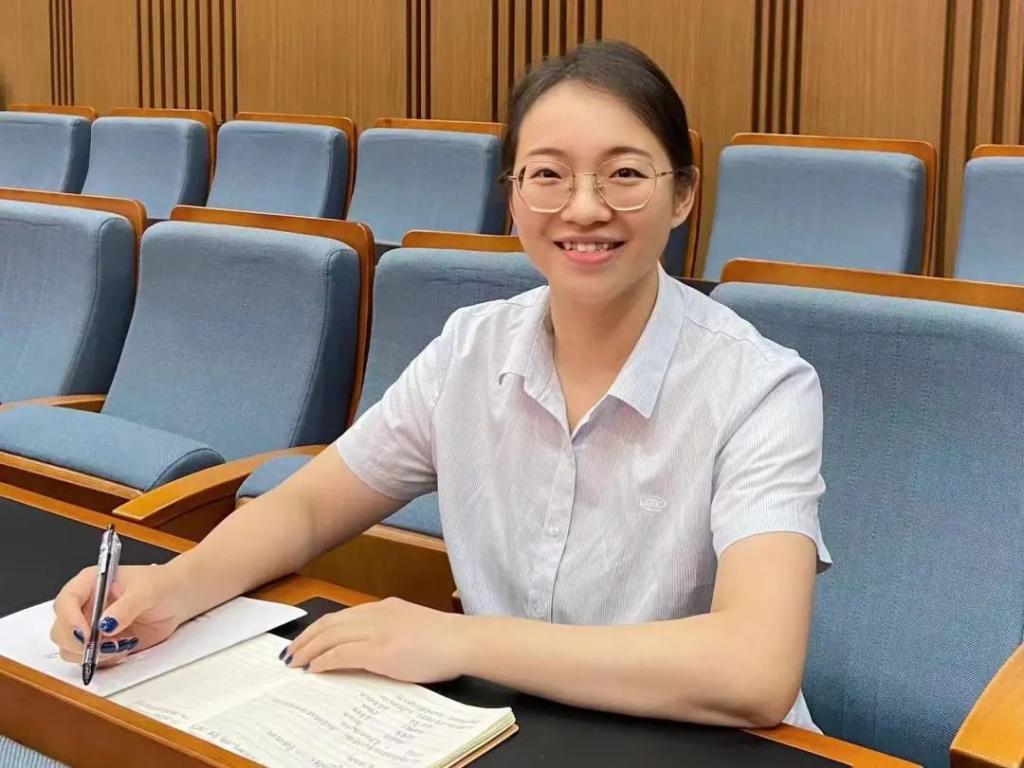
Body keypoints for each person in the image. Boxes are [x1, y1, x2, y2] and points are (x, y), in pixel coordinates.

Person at [51, 40, 831, 731]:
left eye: (625, 174)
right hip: (519, 729)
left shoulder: (761, 388)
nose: (585, 208)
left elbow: (754, 670)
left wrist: (460, 640)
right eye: (549, 175)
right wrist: (174, 588)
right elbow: (312, 505)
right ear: (513, 195)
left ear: (683, 193)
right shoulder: (470, 350)